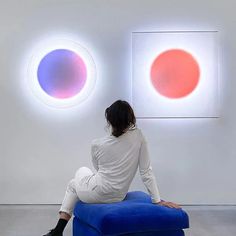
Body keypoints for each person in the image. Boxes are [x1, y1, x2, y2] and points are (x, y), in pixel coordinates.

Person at [43, 100, 181, 236]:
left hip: (96, 192)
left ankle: (58, 231)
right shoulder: (139, 136)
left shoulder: (97, 144)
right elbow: (146, 171)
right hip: (118, 196)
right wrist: (157, 200)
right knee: (82, 177)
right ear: (130, 119)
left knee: (77, 177)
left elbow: (98, 169)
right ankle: (57, 231)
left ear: (110, 121)